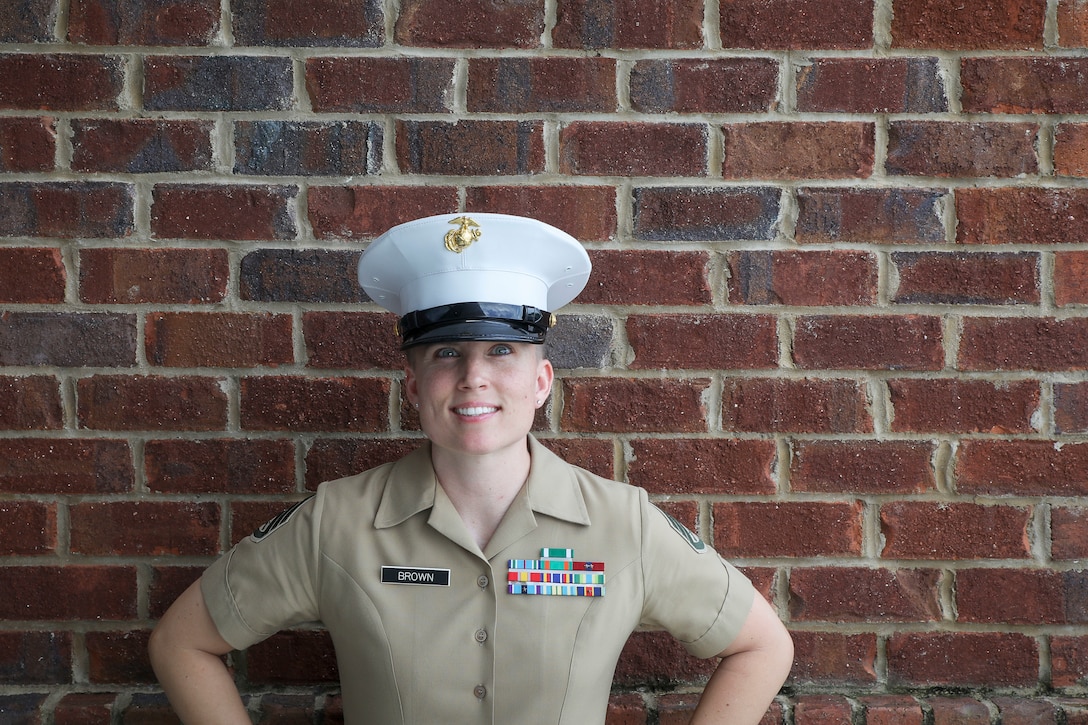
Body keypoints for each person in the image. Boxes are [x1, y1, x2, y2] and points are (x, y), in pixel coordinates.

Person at [148, 212, 794, 724]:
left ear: (541, 380)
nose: (474, 377)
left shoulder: (620, 522)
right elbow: (183, 643)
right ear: (413, 383)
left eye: (503, 350)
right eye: (446, 352)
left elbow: (762, 645)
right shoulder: (336, 521)